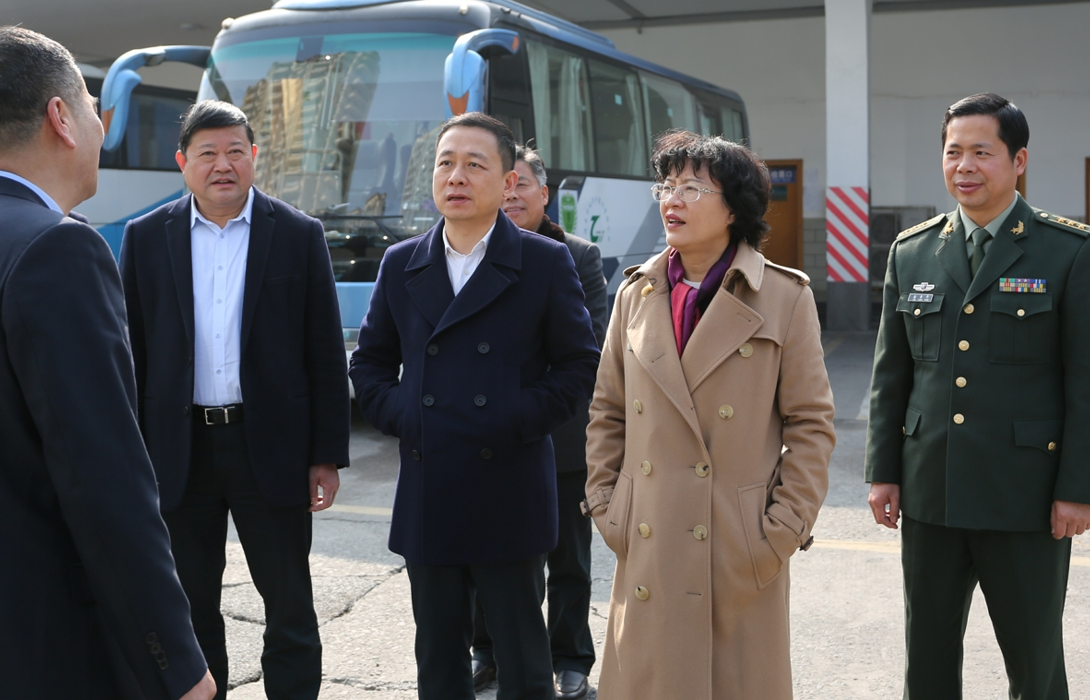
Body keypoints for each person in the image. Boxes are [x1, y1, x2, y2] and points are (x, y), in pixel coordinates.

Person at [0, 26, 215, 700]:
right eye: (89, 104)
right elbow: (105, 479)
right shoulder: (57, 249)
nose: (99, 125)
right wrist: (175, 661)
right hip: (37, 648)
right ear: (60, 116)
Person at [865, 93, 1090, 700]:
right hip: (931, 492)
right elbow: (891, 375)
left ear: (1018, 160)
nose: (965, 166)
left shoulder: (1069, 250)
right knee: (926, 659)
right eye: (953, 152)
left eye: (982, 152)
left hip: (1024, 498)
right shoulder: (913, 251)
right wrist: (884, 472)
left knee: (1035, 662)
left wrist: (1080, 488)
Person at [350, 113, 599, 700]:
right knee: (438, 661)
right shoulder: (402, 262)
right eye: (445, 163)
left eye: (473, 164)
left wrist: (515, 417)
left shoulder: (543, 261)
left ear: (509, 180)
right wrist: (408, 415)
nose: (456, 176)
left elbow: (578, 365)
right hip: (429, 485)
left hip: (509, 482)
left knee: (523, 664)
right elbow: (370, 364)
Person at [584, 131, 837, 700]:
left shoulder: (784, 296)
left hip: (736, 546)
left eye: (693, 188)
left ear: (734, 208)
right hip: (649, 541)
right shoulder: (636, 293)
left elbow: (811, 425)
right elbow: (608, 410)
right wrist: (607, 505)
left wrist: (781, 529)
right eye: (667, 186)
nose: (672, 199)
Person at [119, 100, 352, 700]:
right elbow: (130, 351)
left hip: (269, 446)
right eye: (207, 153)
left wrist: (325, 454)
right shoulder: (145, 237)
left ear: (254, 157)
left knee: (289, 602)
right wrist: (131, 454)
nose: (222, 165)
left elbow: (325, 350)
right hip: (179, 448)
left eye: (234, 152)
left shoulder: (297, 233)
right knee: (189, 604)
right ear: (183, 162)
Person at [472, 145, 609, 700]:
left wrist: (513, 395)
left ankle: (570, 657)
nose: (510, 195)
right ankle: (488, 653)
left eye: (521, 184)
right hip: (485, 440)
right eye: (502, 184)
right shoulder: (469, 251)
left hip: (560, 437)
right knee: (487, 551)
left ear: (543, 194)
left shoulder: (577, 256)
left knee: (568, 556)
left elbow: (587, 344)